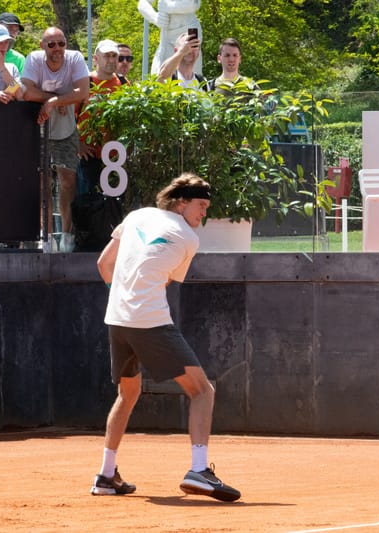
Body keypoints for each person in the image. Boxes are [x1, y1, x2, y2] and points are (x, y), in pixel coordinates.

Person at [92, 173, 240, 502]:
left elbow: (104, 264)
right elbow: (164, 282)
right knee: (202, 390)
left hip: (116, 319)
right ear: (181, 202)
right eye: (201, 206)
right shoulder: (187, 238)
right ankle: (199, 470)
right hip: (149, 321)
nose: (204, 214)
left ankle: (105, 474)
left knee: (128, 393)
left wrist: (122, 297)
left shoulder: (136, 216)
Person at [22, 27, 90, 252]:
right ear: (43, 46)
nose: (57, 48)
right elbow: (27, 92)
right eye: (51, 44)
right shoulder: (33, 59)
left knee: (68, 181)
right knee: (42, 185)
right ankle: (47, 236)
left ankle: (67, 236)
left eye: (61, 43)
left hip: (66, 129)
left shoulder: (75, 58)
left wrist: (53, 103)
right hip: (38, 128)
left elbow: (83, 92)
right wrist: (56, 99)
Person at [73, 39, 125, 252]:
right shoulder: (86, 82)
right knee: (86, 202)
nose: (111, 60)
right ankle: (84, 244)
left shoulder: (123, 83)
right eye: (107, 56)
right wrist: (78, 143)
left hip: (114, 160)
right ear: (95, 58)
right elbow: (69, 115)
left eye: (114, 55)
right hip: (89, 156)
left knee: (114, 205)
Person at [138, 0, 202, 76]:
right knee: (159, 76)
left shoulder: (165, 4)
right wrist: (155, 18)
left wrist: (167, 6)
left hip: (188, 34)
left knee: (191, 78)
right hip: (167, 36)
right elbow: (143, 3)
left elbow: (193, 4)